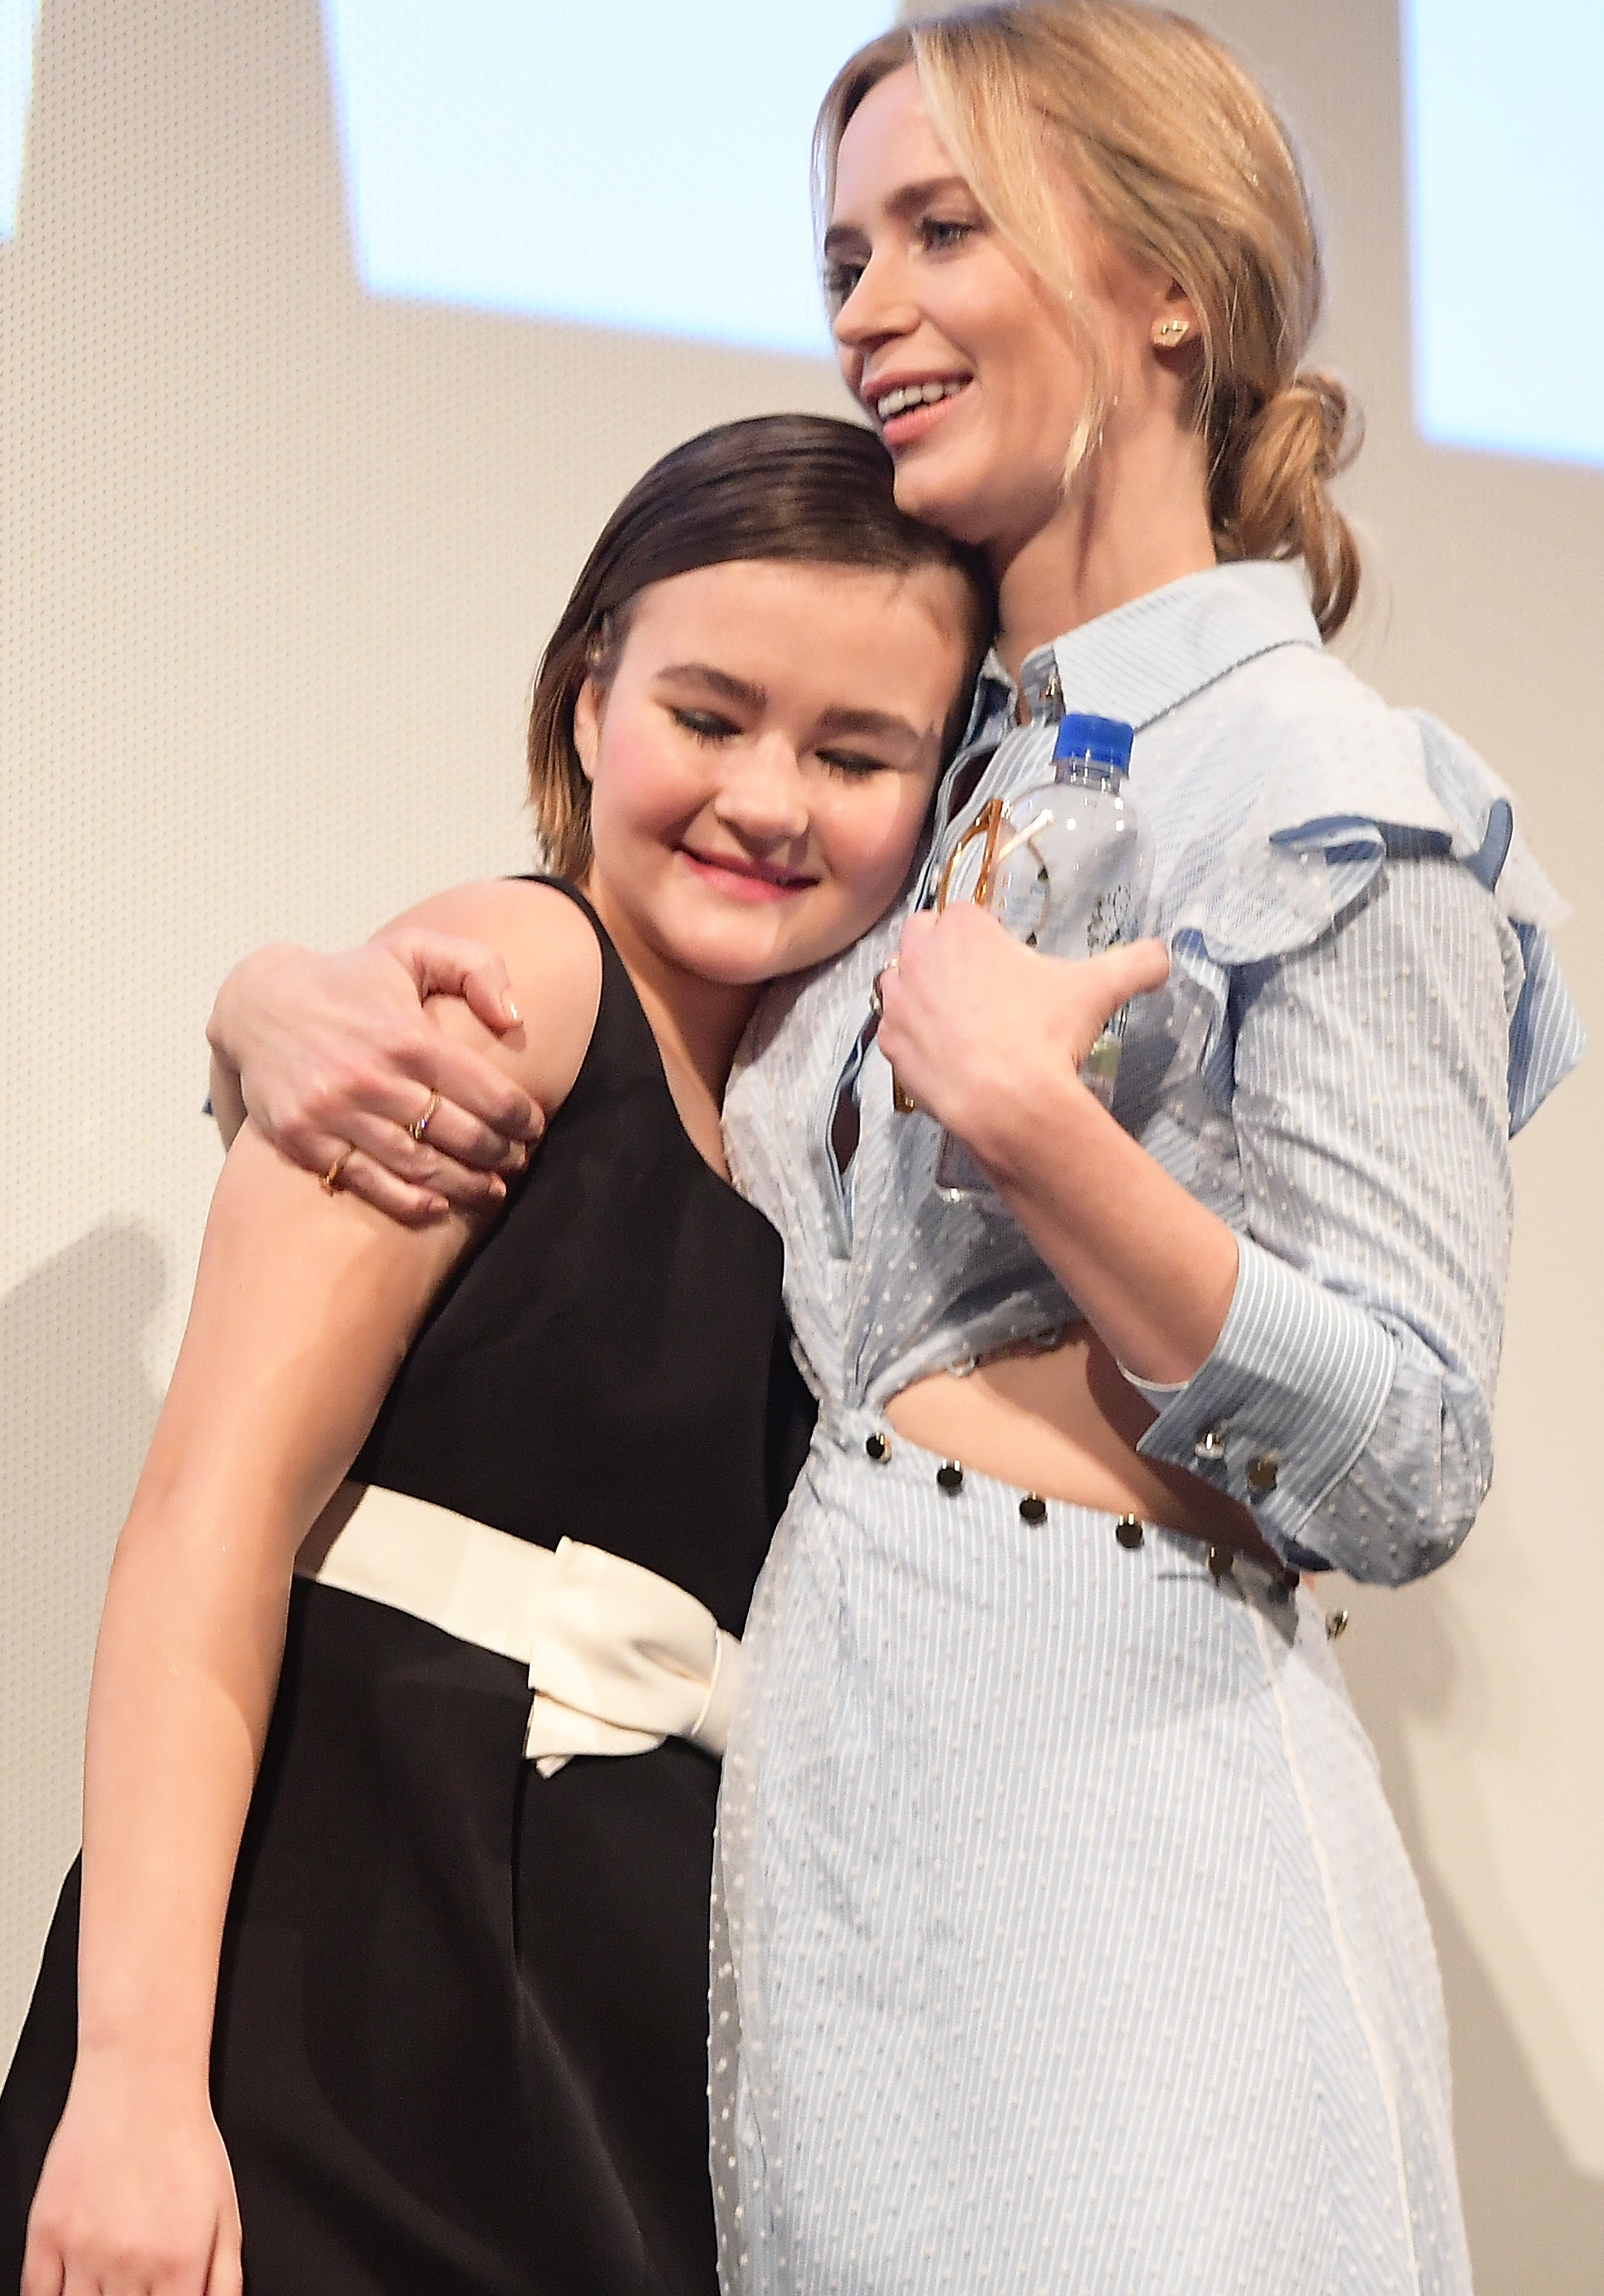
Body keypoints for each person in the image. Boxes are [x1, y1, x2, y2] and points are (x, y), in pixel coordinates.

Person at [207, 0, 1585, 2294]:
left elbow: (1415, 1457)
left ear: (1172, 281)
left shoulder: (1336, 796)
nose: (870, 309)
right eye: (844, 249)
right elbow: (620, 1061)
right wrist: (261, 1006)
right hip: (829, 1888)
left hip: (1128, 1852)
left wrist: (1054, 1138)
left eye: (941, 228)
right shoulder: (930, 780)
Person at [0, 414, 998, 2296]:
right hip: (361, 2008)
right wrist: (136, 2082)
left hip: (622, 2069)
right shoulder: (507, 983)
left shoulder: (821, 1140)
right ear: (586, 697)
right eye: (708, 715)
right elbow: (208, 1518)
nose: (769, 797)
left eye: (856, 753)